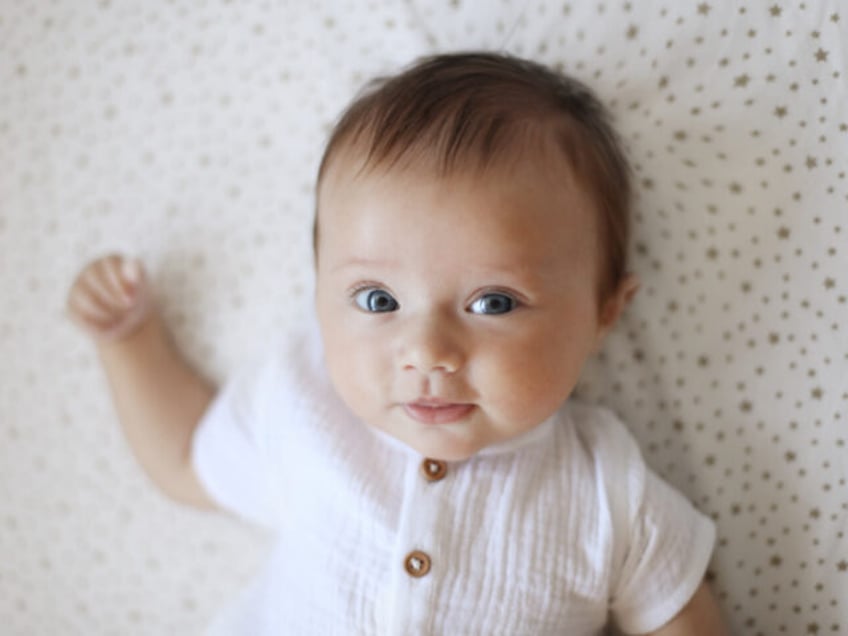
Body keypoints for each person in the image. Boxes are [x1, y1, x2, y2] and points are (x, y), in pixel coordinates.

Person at [66, 52, 729, 635]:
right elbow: (187, 460)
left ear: (603, 312)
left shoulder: (604, 486)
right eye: (378, 301)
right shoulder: (302, 405)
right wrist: (130, 341)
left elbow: (676, 613)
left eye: (493, 303)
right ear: (320, 293)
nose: (428, 351)